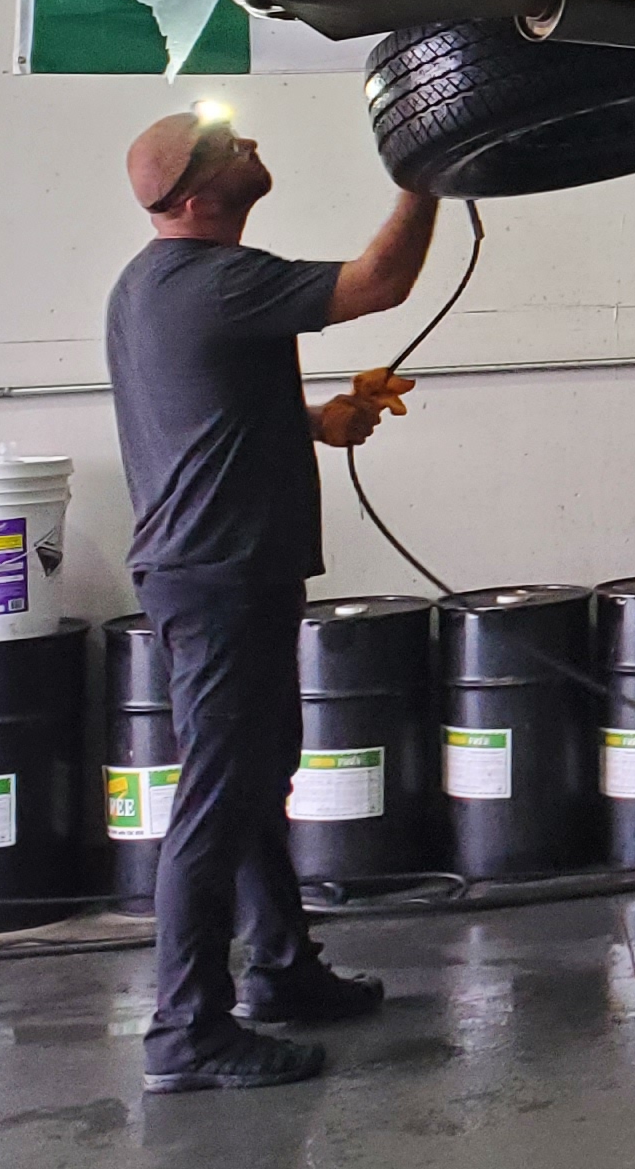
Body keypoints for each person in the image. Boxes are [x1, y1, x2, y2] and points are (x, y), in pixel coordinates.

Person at [109, 102, 439, 1094]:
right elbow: (380, 282)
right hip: (221, 578)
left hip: (210, 574)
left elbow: (205, 409)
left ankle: (283, 969)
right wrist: (427, 170)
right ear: (196, 198)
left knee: (249, 781)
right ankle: (186, 1033)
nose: (252, 145)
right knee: (218, 799)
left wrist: (317, 421)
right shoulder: (221, 280)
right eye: (227, 148)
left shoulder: (151, 286)